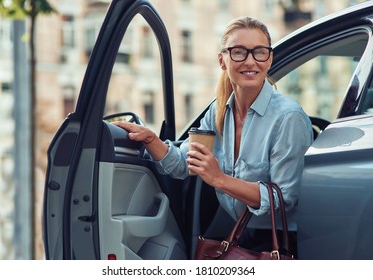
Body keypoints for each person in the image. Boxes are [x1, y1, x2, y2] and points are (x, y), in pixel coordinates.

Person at [115, 16, 313, 256]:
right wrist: (150, 140)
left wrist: (219, 179)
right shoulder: (218, 112)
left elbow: (282, 199)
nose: (250, 61)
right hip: (241, 233)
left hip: (280, 241)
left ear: (269, 59)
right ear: (223, 60)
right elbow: (182, 165)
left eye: (259, 52)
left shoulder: (288, 117)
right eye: (239, 52)